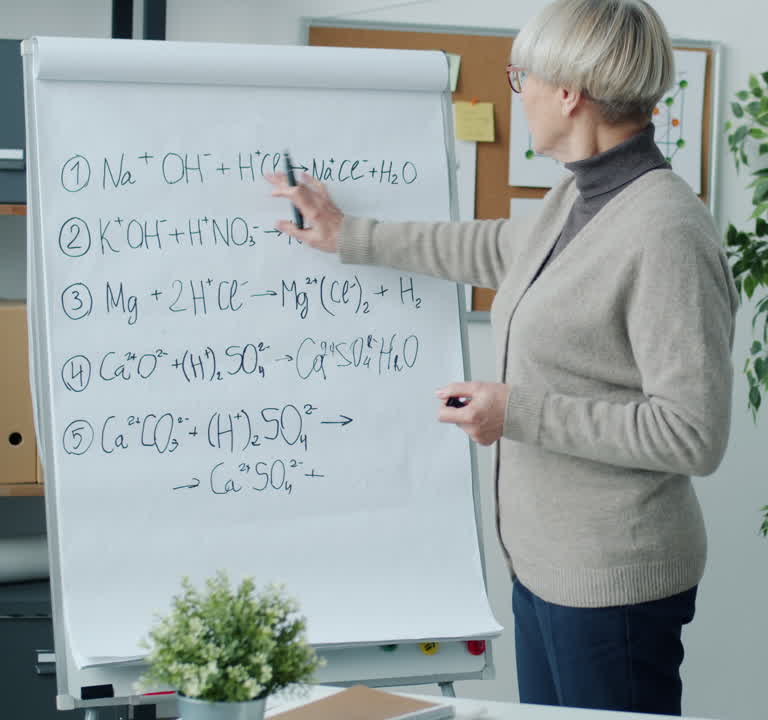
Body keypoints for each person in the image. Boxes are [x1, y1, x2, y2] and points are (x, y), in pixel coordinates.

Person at [267, 0, 736, 714]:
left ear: (569, 92)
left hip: (612, 587)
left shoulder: (665, 231)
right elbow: (490, 247)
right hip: (544, 570)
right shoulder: (579, 199)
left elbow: (691, 434)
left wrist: (517, 411)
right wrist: (349, 235)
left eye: (521, 77)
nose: (518, 93)